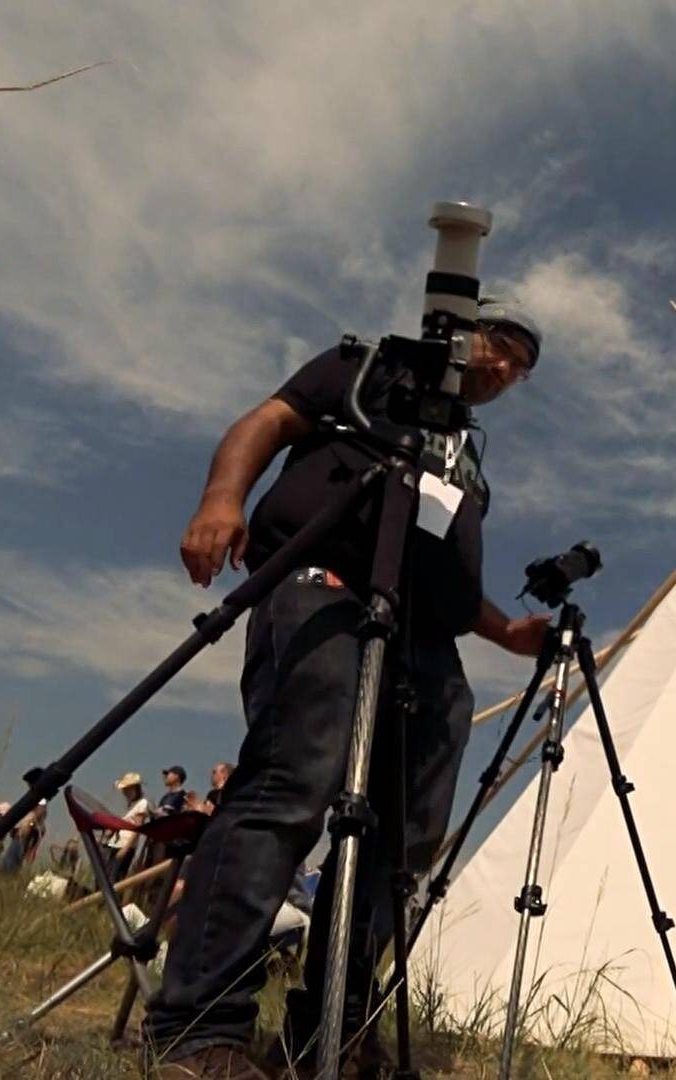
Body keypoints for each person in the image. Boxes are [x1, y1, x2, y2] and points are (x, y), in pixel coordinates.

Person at [142, 296, 551, 1080]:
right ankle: (201, 1028)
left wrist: (508, 634)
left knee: (404, 837)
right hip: (323, 590)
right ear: (463, 324)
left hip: (422, 641)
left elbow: (449, 575)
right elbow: (267, 421)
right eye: (501, 343)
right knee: (293, 784)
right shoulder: (367, 370)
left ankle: (329, 1032)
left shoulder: (465, 452)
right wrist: (221, 500)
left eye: (521, 366)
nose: (505, 368)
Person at [108, 772, 154, 878]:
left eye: (128, 789)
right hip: (117, 842)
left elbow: (138, 828)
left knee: (115, 877)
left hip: (125, 844)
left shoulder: (142, 803)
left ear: (135, 789)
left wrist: (126, 848)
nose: (125, 792)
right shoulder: (131, 805)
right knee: (108, 873)